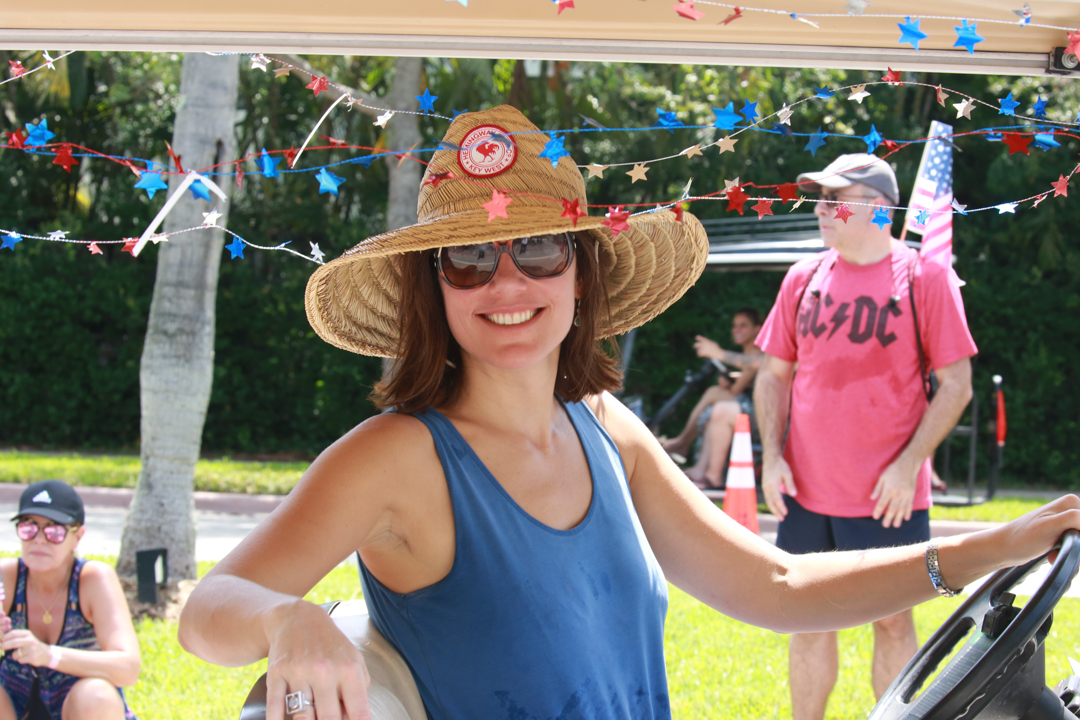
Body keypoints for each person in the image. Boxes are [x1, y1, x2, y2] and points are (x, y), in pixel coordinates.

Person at [178, 107, 1079, 720]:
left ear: (582, 270)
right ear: (433, 289)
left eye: (539, 249)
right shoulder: (397, 456)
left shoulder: (605, 427)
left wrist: (990, 548)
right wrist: (286, 619)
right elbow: (207, 609)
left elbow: (776, 588)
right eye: (469, 260)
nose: (507, 283)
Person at [753, 153, 979, 720]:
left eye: (834, 199)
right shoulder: (802, 277)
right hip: (805, 491)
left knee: (894, 621)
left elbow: (957, 386)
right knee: (808, 620)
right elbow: (773, 375)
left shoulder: (925, 278)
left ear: (878, 209)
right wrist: (772, 458)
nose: (820, 209)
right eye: (818, 198)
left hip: (888, 496)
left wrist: (909, 465)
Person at [0, 480, 141, 720]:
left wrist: (49, 655)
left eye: (54, 531)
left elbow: (128, 668)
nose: (39, 539)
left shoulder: (93, 579)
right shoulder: (7, 576)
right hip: (15, 706)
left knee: (96, 695)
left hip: (81, 708)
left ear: (77, 536)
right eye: (28, 528)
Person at [661, 308, 764, 488]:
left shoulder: (759, 354)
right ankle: (700, 467)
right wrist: (732, 379)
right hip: (749, 406)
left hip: (761, 415)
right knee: (713, 405)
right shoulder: (749, 356)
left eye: (743, 326)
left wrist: (718, 353)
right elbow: (741, 385)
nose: (737, 330)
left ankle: (684, 444)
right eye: (735, 326)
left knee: (716, 400)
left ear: (757, 329)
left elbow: (742, 383)